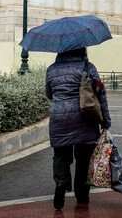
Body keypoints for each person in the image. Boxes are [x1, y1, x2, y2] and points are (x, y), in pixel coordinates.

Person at [45, 47, 111, 210]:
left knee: (61, 155)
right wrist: (106, 121)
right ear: (82, 50)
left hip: (59, 118)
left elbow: (49, 94)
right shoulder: (88, 67)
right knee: (84, 160)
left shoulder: (52, 69)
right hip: (85, 118)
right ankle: (81, 196)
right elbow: (100, 95)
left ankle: (61, 183)